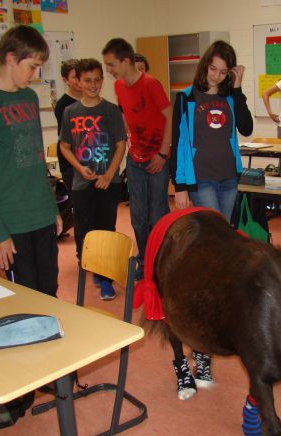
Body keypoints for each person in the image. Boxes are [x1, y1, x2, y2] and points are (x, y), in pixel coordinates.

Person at [169, 40, 253, 396]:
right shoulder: (186, 97)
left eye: (224, 72)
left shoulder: (231, 96)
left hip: (228, 179)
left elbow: (246, 129)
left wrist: (240, 89)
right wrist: (180, 185)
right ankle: (200, 339)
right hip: (200, 180)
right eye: (213, 69)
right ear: (204, 66)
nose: (217, 76)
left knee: (223, 252)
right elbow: (177, 142)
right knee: (210, 251)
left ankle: (214, 323)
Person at [0, 25, 62, 296]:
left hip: (41, 214)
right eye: (32, 67)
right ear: (10, 58)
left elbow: (35, 160)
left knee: (49, 289)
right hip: (11, 220)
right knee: (26, 293)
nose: (36, 75)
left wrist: (51, 208)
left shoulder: (29, 97)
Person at [102, 38, 172, 278]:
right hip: (135, 158)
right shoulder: (119, 87)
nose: (108, 70)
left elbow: (169, 117)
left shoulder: (151, 84)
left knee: (157, 215)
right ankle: (144, 259)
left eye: (111, 65)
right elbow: (126, 116)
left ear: (125, 60)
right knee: (138, 216)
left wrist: (163, 154)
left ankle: (161, 261)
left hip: (157, 158)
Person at [59, 58, 126, 300]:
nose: (93, 84)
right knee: (86, 231)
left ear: (102, 80)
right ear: (78, 82)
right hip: (82, 182)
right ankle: (95, 269)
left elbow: (121, 144)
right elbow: (65, 146)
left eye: (98, 79)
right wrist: (79, 167)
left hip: (109, 182)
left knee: (106, 229)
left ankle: (106, 279)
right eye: (88, 80)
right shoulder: (70, 112)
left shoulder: (110, 110)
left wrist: (109, 173)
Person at [54, 58, 82, 199]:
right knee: (80, 205)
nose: (79, 80)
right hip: (72, 165)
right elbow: (68, 139)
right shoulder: (63, 105)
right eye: (74, 77)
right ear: (66, 80)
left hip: (90, 161)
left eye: (81, 76)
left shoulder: (90, 100)